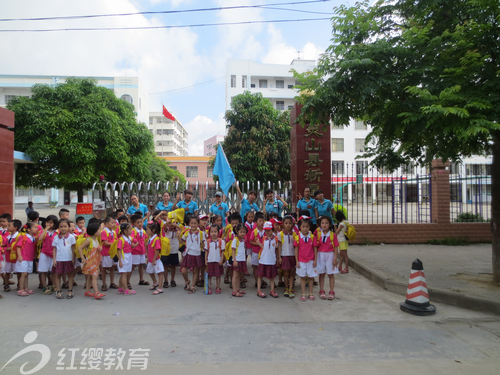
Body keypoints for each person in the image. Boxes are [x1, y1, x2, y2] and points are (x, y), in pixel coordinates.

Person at [314, 216, 339, 300]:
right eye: (322, 223)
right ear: (320, 224)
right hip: (321, 255)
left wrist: (335, 258)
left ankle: (331, 291)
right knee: (321, 274)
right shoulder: (318, 235)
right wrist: (315, 259)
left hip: (330, 255)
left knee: (330, 274)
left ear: (330, 224)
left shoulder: (333, 235)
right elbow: (316, 247)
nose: (324, 225)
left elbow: (336, 247)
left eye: (326, 223)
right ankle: (321, 290)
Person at [294, 217, 318, 302]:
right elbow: (296, 249)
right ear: (300, 227)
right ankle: (303, 293)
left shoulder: (312, 237)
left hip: (311, 260)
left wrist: (315, 260)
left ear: (309, 227)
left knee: (311, 277)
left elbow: (315, 248)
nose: (305, 228)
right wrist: (297, 261)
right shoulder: (297, 237)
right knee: (302, 277)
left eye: (307, 226)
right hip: (301, 261)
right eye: (303, 226)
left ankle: (310, 293)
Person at [79, 223, 105, 300]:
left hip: (95, 262)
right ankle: (96, 292)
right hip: (90, 262)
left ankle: (87, 291)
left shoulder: (96, 240)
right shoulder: (89, 240)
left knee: (90, 277)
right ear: (94, 231)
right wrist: (82, 258)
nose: (101, 231)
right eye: (99, 230)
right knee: (95, 276)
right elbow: (80, 248)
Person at [52, 219, 76, 299]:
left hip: (68, 259)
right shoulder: (56, 237)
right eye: (61, 227)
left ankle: (70, 290)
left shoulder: (71, 237)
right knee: (58, 275)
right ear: (58, 228)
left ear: (68, 227)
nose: (63, 228)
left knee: (70, 275)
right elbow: (54, 249)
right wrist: (54, 259)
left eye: (65, 226)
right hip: (59, 260)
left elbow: (73, 248)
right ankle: (58, 290)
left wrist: (73, 258)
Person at [256, 221, 281, 298]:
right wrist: (258, 243)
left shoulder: (276, 239)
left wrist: (278, 258)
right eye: (266, 230)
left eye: (269, 230)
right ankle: (259, 290)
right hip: (263, 260)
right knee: (260, 276)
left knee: (272, 277)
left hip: (271, 261)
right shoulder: (264, 238)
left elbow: (277, 249)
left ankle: (272, 290)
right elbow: (263, 247)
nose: (267, 232)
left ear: (272, 230)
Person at [180, 216, 204, 294]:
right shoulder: (187, 232)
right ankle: (187, 281)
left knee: (195, 271)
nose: (193, 225)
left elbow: (204, 244)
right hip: (188, 254)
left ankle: (193, 286)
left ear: (198, 224)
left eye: (195, 223)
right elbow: (181, 241)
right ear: (189, 224)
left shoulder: (201, 233)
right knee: (183, 271)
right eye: (192, 223)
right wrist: (178, 234)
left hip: (197, 254)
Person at [15, 222, 39, 297]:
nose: (36, 229)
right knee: (24, 273)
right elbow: (18, 247)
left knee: (27, 274)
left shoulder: (34, 238)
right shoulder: (24, 237)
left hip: (30, 258)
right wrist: (19, 255)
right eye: (34, 227)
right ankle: (21, 289)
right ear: (28, 229)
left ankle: (26, 288)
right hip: (23, 258)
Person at [37, 215, 59, 295]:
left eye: (51, 223)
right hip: (44, 253)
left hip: (54, 253)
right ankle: (44, 286)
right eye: (47, 222)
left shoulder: (57, 232)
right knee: (43, 271)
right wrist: (45, 229)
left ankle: (54, 285)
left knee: (54, 271)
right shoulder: (43, 232)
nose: (49, 224)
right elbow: (39, 239)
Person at [159, 212, 181, 288]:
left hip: (174, 250)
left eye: (174, 222)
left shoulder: (178, 230)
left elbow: (180, 229)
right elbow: (164, 228)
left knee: (173, 266)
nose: (172, 224)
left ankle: (172, 279)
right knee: (165, 266)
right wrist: (167, 223)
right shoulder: (167, 229)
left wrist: (176, 225)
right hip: (166, 251)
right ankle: (165, 280)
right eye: (171, 223)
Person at [117, 223, 137, 295]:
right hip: (123, 257)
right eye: (130, 229)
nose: (131, 230)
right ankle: (126, 290)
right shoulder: (121, 240)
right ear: (125, 231)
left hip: (128, 256)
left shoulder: (129, 238)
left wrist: (135, 244)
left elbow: (135, 242)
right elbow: (119, 250)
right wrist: (120, 261)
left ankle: (120, 288)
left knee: (124, 273)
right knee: (124, 274)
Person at [145, 221, 165, 295]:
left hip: (156, 260)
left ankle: (160, 288)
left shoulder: (156, 239)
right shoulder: (150, 238)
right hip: (151, 260)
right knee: (150, 271)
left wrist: (153, 260)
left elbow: (157, 250)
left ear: (153, 230)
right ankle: (155, 283)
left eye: (147, 229)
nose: (146, 231)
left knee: (160, 273)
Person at [249, 212, 267, 289]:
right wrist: (259, 244)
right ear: (255, 222)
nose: (262, 223)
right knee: (255, 267)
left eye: (263, 221)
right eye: (260, 221)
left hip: (264, 252)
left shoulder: (266, 231)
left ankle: (260, 280)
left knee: (261, 267)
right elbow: (250, 241)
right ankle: (257, 281)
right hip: (256, 252)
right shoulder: (254, 231)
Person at [205, 224, 225, 295]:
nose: (213, 233)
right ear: (209, 232)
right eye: (212, 232)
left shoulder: (221, 241)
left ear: (218, 232)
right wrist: (206, 260)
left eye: (215, 231)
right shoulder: (208, 242)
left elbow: (222, 251)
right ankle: (209, 287)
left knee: (218, 275)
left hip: (218, 261)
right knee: (209, 275)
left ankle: (218, 287)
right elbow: (206, 251)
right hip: (210, 261)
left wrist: (221, 260)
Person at [280, 216, 296, 298]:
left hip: (293, 256)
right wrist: (279, 257)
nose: (288, 225)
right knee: (285, 273)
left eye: (290, 223)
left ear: (292, 224)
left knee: (292, 273)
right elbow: (279, 246)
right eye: (286, 223)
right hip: (284, 255)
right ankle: (286, 288)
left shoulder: (295, 234)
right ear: (283, 224)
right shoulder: (281, 234)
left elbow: (297, 246)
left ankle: (291, 288)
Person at [101, 216, 118, 291]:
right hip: (105, 253)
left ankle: (112, 282)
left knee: (112, 268)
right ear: (106, 224)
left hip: (112, 253)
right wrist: (115, 244)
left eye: (114, 222)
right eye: (112, 223)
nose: (114, 224)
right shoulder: (104, 232)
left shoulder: (114, 232)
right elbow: (106, 243)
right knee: (104, 269)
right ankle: (104, 284)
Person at [130, 214, 148, 287]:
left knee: (141, 265)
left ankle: (141, 280)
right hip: (135, 251)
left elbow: (145, 241)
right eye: (138, 222)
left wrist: (146, 251)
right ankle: (127, 281)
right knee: (133, 266)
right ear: (134, 223)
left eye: (141, 222)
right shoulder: (133, 231)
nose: (140, 224)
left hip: (142, 251)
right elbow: (131, 240)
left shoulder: (143, 231)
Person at [231, 224, 248, 297]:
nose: (242, 233)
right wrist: (234, 260)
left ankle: (237, 288)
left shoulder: (243, 240)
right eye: (241, 232)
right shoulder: (235, 240)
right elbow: (233, 250)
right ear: (237, 231)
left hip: (242, 260)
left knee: (239, 276)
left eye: (244, 232)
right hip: (237, 260)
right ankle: (234, 291)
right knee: (235, 275)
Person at [0, 213, 13, 292]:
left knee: (7, 268)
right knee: (2, 268)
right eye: (0, 221)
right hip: (1, 252)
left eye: (4, 221)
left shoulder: (10, 231)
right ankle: (6, 281)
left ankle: (6, 280)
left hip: (7, 251)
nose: (2, 223)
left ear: (8, 222)